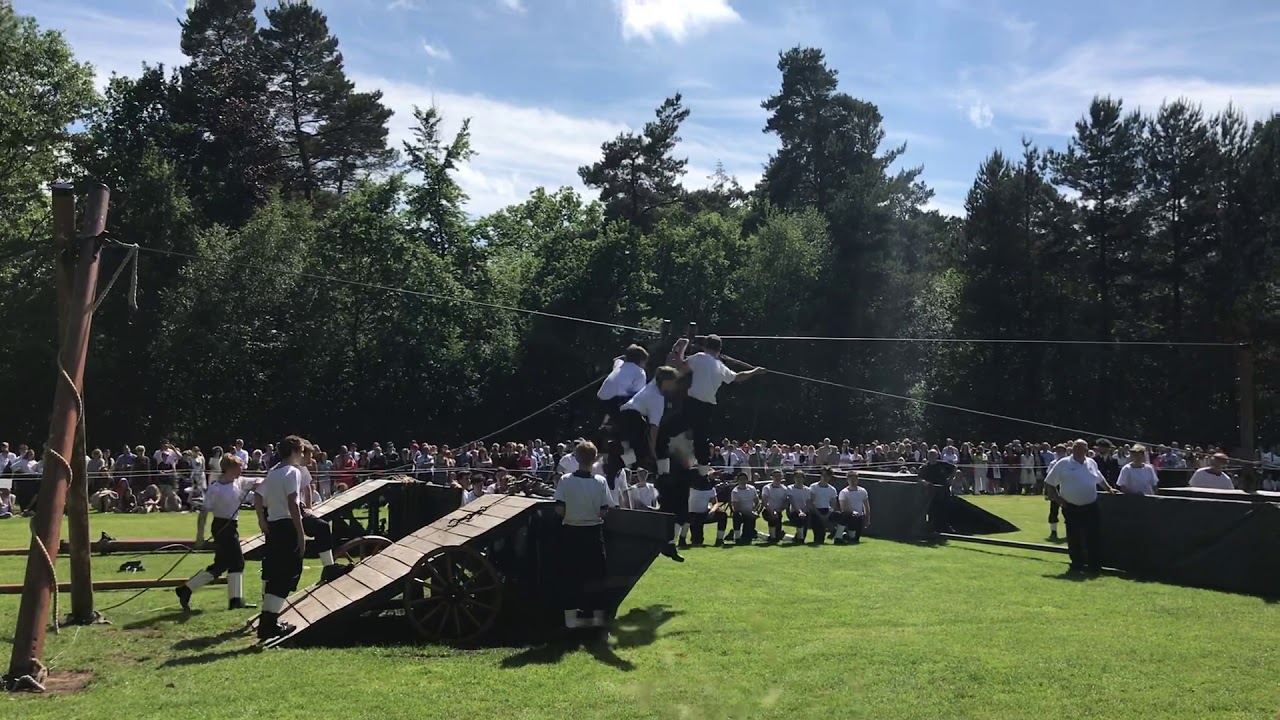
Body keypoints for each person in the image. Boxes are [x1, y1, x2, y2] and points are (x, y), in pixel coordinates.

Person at [676, 335, 765, 477]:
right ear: (719, 349)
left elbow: (680, 365)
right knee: (701, 437)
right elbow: (738, 377)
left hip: (692, 402)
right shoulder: (720, 366)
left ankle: (674, 460)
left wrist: (681, 347)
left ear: (705, 346)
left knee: (679, 430)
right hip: (708, 406)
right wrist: (754, 371)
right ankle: (703, 470)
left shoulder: (700, 357)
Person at [176, 454, 256, 612]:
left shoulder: (239, 481)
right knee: (238, 563)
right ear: (229, 469)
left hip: (232, 526)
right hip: (222, 527)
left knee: (221, 565)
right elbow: (203, 513)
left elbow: (258, 481)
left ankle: (186, 590)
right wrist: (199, 536)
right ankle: (235, 601)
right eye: (239, 467)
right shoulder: (215, 488)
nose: (242, 469)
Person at [553, 441, 614, 630]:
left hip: (571, 533)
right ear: (594, 459)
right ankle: (596, 619)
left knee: (569, 576)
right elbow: (604, 511)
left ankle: (570, 620)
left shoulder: (565, 480)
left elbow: (559, 509)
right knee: (596, 577)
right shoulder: (601, 482)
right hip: (593, 534)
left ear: (576, 458)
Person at [254, 435, 309, 641]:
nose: (302, 456)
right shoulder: (292, 471)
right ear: (294, 451)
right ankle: (270, 624)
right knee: (287, 574)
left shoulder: (273, 471)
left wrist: (261, 519)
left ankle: (267, 623)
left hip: (274, 526)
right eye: (302, 452)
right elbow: (293, 503)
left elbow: (259, 496)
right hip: (287, 526)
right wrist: (301, 533)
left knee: (275, 574)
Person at [1044, 439, 1117, 574]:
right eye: (1076, 448)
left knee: (1093, 536)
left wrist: (1109, 489)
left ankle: (1094, 565)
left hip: (1091, 505)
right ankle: (1076, 563)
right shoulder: (1063, 463)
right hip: (1071, 506)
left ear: (1086, 450)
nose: (1080, 451)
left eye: (1082, 448)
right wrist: (1058, 499)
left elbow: (1099, 478)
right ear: (1072, 449)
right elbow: (1050, 482)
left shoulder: (1091, 462)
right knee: (1074, 536)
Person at [605, 366, 680, 488]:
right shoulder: (657, 399)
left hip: (623, 416)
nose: (674, 387)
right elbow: (653, 430)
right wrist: (653, 451)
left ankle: (616, 463)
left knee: (638, 453)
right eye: (672, 383)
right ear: (665, 382)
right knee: (642, 453)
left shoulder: (653, 384)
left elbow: (660, 373)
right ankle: (615, 463)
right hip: (632, 418)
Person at [597, 344, 650, 427]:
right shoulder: (640, 372)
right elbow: (638, 394)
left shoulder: (619, 365)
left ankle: (607, 420)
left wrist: (628, 356)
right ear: (641, 361)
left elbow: (617, 359)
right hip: (615, 401)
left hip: (601, 398)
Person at [917, 449, 956, 533]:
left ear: (937, 456)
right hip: (931, 492)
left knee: (945, 509)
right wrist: (925, 483)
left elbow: (954, 468)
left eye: (933, 455)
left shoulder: (943, 465)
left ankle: (945, 527)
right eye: (930, 455)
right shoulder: (924, 467)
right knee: (931, 510)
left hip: (943, 491)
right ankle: (931, 527)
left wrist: (950, 479)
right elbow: (919, 478)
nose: (932, 457)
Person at [834, 471, 870, 544]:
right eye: (851, 479)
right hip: (848, 515)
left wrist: (867, 519)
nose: (853, 481)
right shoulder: (844, 492)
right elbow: (844, 507)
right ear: (847, 480)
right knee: (845, 514)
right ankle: (838, 537)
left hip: (859, 517)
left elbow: (866, 506)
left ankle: (847, 535)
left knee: (854, 539)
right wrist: (853, 512)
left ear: (858, 480)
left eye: (855, 479)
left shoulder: (863, 491)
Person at [807, 468, 839, 545]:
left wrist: (828, 514)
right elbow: (812, 502)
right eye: (824, 475)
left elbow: (833, 503)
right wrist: (819, 515)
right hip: (815, 511)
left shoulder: (832, 489)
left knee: (840, 516)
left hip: (826, 510)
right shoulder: (814, 486)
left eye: (827, 476)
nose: (825, 477)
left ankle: (837, 533)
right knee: (819, 536)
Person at [729, 471, 759, 545]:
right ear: (738, 480)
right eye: (741, 479)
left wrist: (754, 511)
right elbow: (736, 507)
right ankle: (737, 537)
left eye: (744, 479)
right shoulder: (735, 491)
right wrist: (749, 513)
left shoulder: (752, 488)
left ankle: (746, 535)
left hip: (750, 513)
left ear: (747, 480)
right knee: (737, 515)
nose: (743, 481)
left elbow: (757, 502)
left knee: (747, 539)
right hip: (741, 513)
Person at [760, 470, 790, 543]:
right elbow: (764, 501)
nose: (777, 478)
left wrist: (779, 509)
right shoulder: (767, 488)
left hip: (779, 511)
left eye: (779, 476)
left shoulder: (784, 489)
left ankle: (764, 535)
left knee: (778, 534)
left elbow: (786, 502)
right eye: (775, 476)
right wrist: (771, 511)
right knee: (772, 518)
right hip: (768, 511)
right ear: (772, 477)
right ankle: (772, 538)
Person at [786, 470, 811, 544]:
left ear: (803, 479)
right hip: (794, 511)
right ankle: (799, 538)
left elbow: (808, 502)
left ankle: (796, 538)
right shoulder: (790, 488)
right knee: (800, 520)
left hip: (805, 511)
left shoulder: (807, 490)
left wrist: (804, 512)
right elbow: (792, 501)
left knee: (804, 526)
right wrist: (800, 512)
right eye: (797, 477)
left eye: (800, 477)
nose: (798, 479)